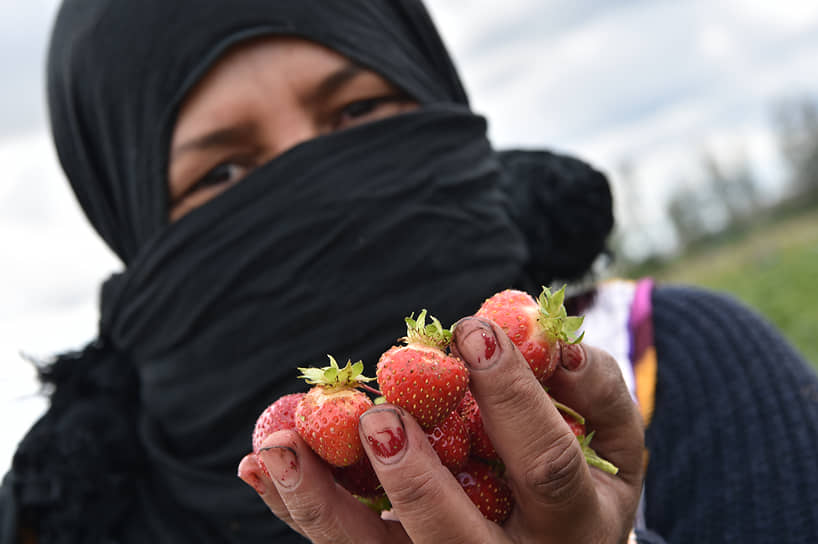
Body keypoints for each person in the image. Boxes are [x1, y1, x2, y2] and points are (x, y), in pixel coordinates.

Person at [2, 1, 818, 543]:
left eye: (357, 113)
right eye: (222, 173)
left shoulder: (676, 369)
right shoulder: (77, 517)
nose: (323, 190)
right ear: (130, 221)